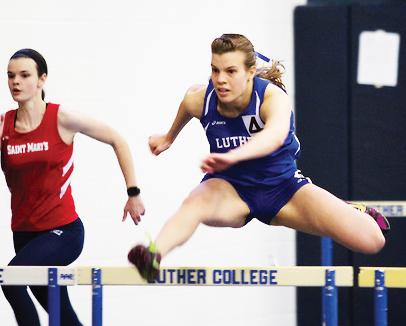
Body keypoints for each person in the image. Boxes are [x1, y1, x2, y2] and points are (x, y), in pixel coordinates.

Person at [127, 34, 390, 282]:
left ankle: (349, 210)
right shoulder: (201, 99)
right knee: (194, 202)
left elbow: (273, 136)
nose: (220, 80)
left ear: (250, 72)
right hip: (230, 188)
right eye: (215, 70)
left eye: (230, 71)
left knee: (371, 240)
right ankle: (153, 255)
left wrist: (235, 155)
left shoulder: (272, 98)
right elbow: (186, 107)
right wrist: (169, 137)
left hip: (283, 189)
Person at [0, 48, 145, 326]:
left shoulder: (61, 119)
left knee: (12, 280)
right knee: (63, 315)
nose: (15, 82)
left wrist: (133, 193)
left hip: (63, 232)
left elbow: (118, 139)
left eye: (24, 75)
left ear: (42, 79)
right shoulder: (4, 126)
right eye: (10, 76)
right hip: (24, 234)